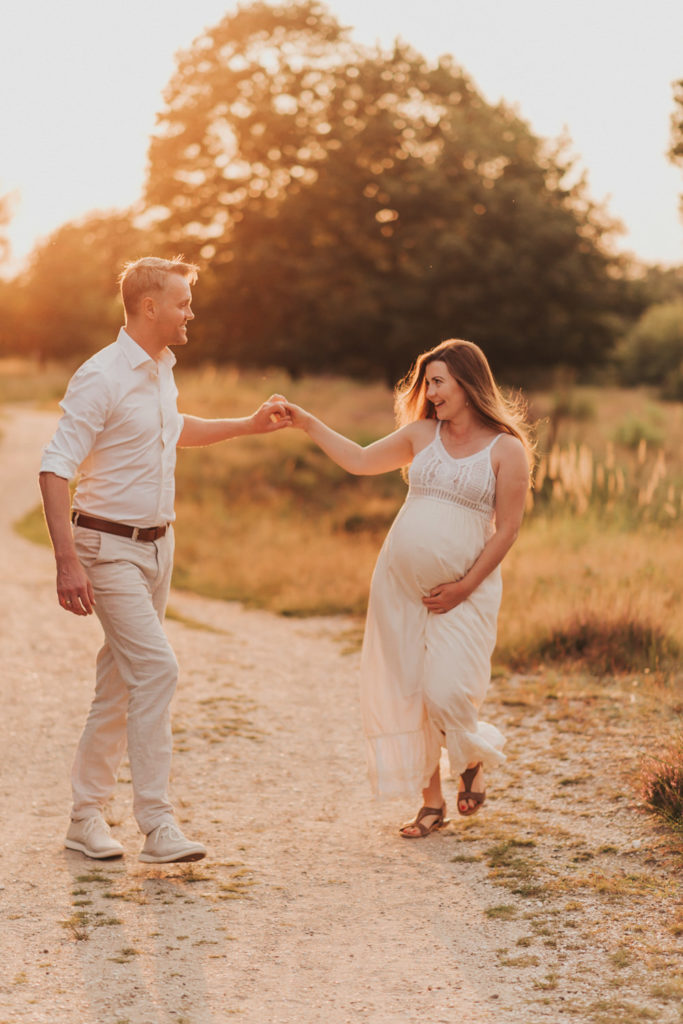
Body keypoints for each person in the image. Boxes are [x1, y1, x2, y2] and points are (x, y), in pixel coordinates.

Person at [39, 256, 290, 863]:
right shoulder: (99, 376)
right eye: (182, 302)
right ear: (149, 306)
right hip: (106, 547)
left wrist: (250, 426)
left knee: (121, 683)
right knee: (157, 671)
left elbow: (175, 428)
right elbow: (54, 467)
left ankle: (84, 816)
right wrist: (66, 561)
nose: (190, 312)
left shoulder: (160, 369)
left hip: (159, 546)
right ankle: (157, 825)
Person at [286, 339, 532, 837]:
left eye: (438, 381)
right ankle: (430, 804)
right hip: (398, 586)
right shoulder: (422, 434)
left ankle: (471, 761)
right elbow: (357, 459)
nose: (430, 391)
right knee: (407, 691)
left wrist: (464, 587)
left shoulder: (506, 449)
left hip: (465, 592)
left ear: (467, 382)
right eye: (427, 382)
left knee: (447, 691)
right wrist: (307, 422)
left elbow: (507, 529)